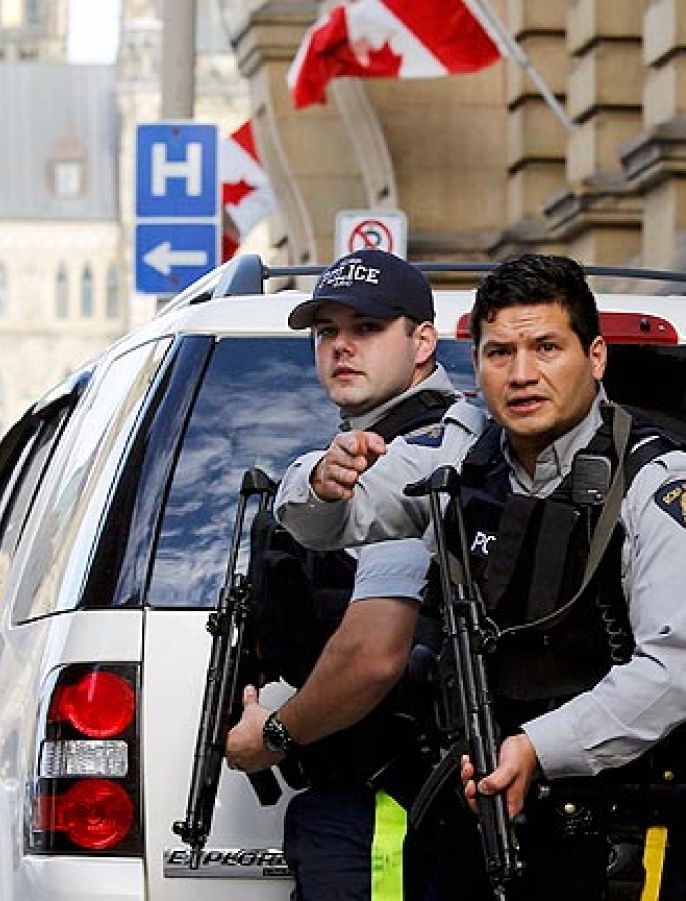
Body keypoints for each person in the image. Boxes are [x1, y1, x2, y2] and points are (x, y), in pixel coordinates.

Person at [274, 254, 686, 899]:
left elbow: (679, 670)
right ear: (476, 364)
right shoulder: (462, 456)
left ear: (595, 356)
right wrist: (322, 482)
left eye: (546, 347)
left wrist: (537, 748)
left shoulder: (663, 487)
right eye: (499, 353)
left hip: (609, 836)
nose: (521, 374)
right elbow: (328, 522)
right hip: (470, 811)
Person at [224, 249, 459, 900]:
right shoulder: (357, 448)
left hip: (395, 804)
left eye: (367, 328)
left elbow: (375, 656)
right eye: (327, 331)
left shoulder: (424, 458)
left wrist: (273, 734)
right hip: (377, 797)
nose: (341, 346)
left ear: (422, 341)